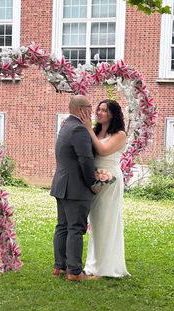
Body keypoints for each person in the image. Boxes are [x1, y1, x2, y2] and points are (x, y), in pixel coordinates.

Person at [50, 95, 100, 282]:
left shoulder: (65, 126)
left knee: (62, 226)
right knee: (76, 228)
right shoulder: (79, 129)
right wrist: (92, 184)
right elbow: (85, 160)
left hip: (62, 184)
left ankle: (59, 267)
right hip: (76, 187)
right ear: (81, 110)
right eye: (90, 107)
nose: (92, 111)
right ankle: (74, 272)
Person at [81, 99, 130, 278]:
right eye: (98, 109)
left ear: (112, 114)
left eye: (104, 110)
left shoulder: (120, 134)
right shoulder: (96, 131)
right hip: (95, 180)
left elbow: (102, 150)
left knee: (106, 223)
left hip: (110, 181)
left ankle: (105, 269)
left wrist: (87, 128)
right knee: (96, 223)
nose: (99, 113)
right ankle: (93, 265)